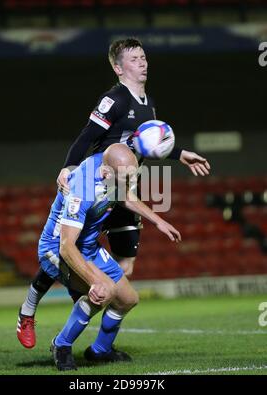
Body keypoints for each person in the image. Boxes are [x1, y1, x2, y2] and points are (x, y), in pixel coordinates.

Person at [17, 37, 210, 349]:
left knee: (126, 269)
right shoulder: (115, 99)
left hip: (124, 192)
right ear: (119, 68)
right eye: (134, 59)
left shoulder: (148, 103)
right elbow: (87, 135)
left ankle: (100, 344)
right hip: (99, 186)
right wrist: (69, 166)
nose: (143, 62)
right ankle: (30, 311)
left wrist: (181, 153)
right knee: (66, 250)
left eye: (144, 57)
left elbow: (148, 144)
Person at [26, 143, 181, 370]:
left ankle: (100, 351)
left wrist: (158, 220)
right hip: (56, 249)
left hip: (87, 245)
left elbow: (124, 195)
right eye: (126, 178)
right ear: (107, 173)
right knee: (104, 291)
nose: (131, 183)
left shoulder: (111, 167)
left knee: (128, 299)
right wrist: (93, 281)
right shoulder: (81, 191)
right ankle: (61, 345)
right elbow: (66, 246)